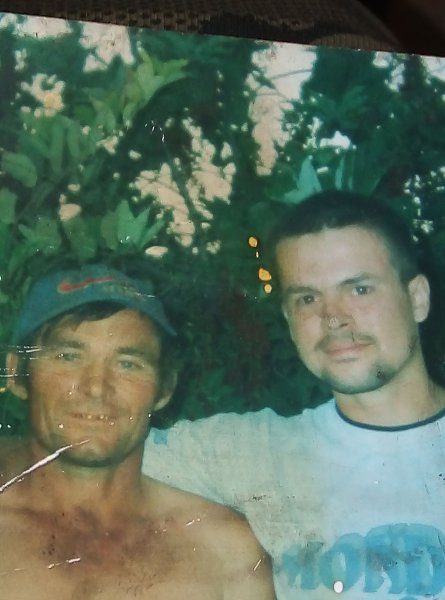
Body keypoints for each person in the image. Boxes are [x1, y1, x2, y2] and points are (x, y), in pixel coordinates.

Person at [143, 190, 445, 600]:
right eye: (307, 298)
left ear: (417, 299)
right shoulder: (257, 453)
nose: (333, 318)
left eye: (359, 289)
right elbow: (83, 456)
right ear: (288, 318)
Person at [1, 264, 275, 600]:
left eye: (128, 363)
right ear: (17, 374)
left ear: (165, 388)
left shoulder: (226, 553)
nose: (96, 387)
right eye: (68, 357)